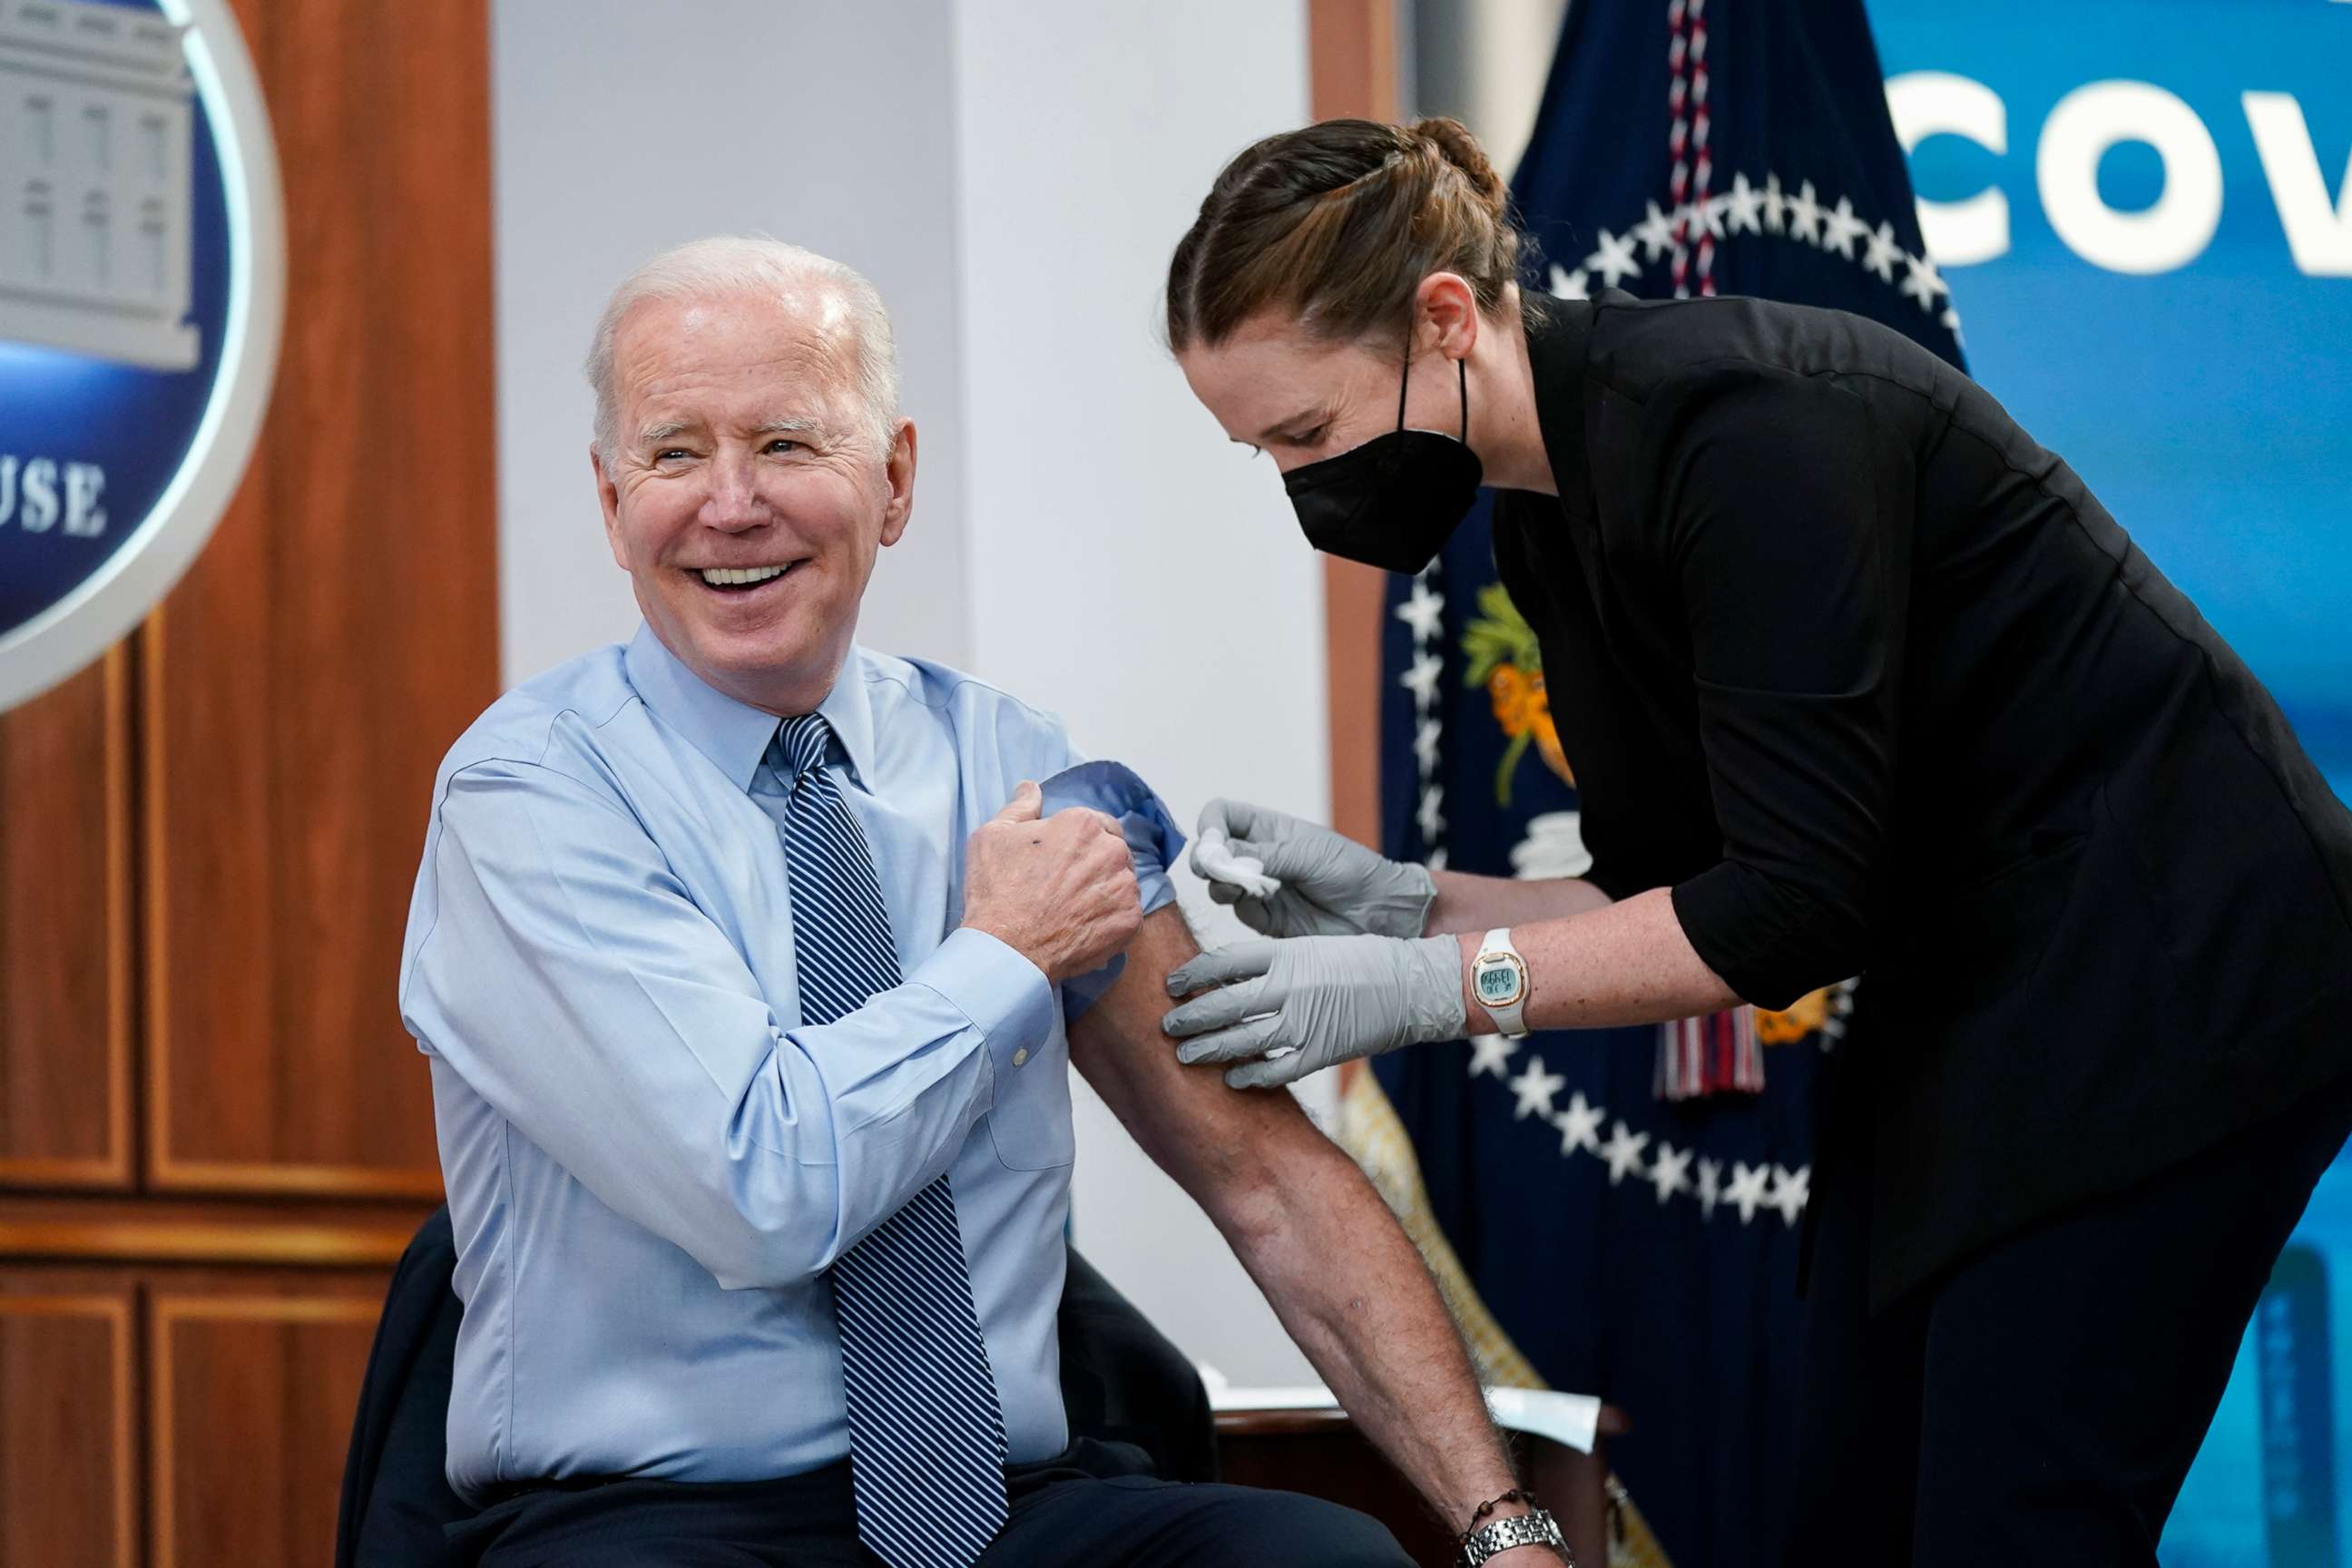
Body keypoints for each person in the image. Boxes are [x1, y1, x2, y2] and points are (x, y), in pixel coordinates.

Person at [1156, 117, 2352, 1565]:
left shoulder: (1755, 428)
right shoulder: (1547, 505)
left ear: (1446, 317)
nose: (1301, 483)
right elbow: (1660, 887)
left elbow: (1789, 913)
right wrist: (1402, 908)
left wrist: (1424, 996)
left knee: (2018, 1521)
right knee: (1841, 1516)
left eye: (1306, 433)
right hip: (1980, 982)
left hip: (2184, 971)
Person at [397, 237, 1573, 1568]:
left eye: (788, 443)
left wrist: (1504, 1527)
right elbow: (759, 1187)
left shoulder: (1015, 767)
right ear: (611, 505)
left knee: (1326, 1560)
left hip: (1012, 1510)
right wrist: (1001, 954)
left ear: (894, 481)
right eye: (673, 455)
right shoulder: (530, 795)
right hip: (654, 1519)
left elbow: (1261, 1177)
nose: (730, 504)